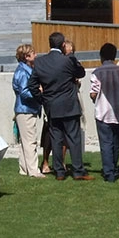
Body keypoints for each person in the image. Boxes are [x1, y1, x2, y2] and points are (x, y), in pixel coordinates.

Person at [28, 32, 93, 180]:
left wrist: (42, 99)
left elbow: (31, 85)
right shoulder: (67, 61)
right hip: (69, 105)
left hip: (52, 105)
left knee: (56, 139)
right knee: (74, 139)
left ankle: (59, 172)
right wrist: (72, 58)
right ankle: (77, 171)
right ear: (63, 45)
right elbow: (81, 73)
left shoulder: (40, 62)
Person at [89, 43, 119, 183]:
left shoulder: (97, 72)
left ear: (101, 56)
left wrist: (94, 97)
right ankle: (114, 168)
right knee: (115, 142)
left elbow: (94, 93)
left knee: (106, 143)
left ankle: (109, 172)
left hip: (102, 111)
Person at [12, 44, 45, 178]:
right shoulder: (22, 72)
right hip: (26, 109)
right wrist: (39, 92)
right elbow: (24, 92)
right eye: (33, 53)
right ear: (26, 57)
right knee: (30, 140)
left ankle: (24, 168)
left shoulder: (26, 70)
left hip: (26, 109)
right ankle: (33, 170)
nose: (36, 55)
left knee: (25, 141)